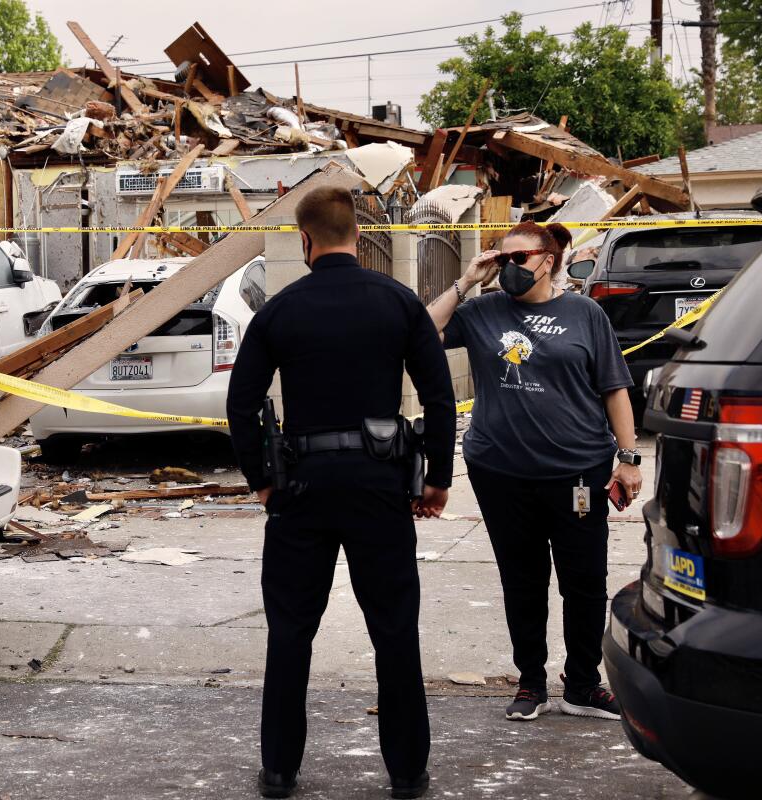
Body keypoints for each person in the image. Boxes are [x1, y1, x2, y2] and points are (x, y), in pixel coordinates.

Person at [226, 186, 457, 800]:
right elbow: (437, 396)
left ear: (304, 241)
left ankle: (279, 769)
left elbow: (241, 402)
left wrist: (262, 482)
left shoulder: (280, 310)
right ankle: (407, 772)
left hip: (301, 491)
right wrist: (437, 477)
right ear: (357, 236)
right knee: (394, 631)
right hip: (381, 489)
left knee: (291, 632)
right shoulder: (399, 302)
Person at [426, 220, 642, 724]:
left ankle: (583, 685)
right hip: (500, 471)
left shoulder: (585, 314)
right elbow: (422, 331)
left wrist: (628, 460)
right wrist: (466, 281)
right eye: (502, 259)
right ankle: (531, 682)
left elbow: (614, 389)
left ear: (549, 260)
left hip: (578, 472)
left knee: (584, 581)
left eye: (518, 259)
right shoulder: (481, 311)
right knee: (522, 579)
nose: (509, 269)